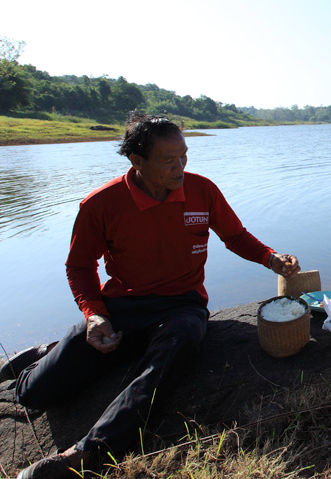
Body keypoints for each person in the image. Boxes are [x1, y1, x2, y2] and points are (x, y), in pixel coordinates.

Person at [5, 113, 299, 479]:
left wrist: (271, 258)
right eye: (168, 159)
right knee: (34, 395)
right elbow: (79, 267)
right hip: (123, 306)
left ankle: (86, 452)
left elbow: (234, 236)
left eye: (184, 156)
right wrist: (95, 315)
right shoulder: (100, 204)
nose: (180, 167)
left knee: (171, 357)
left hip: (182, 305)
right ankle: (42, 356)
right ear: (137, 162)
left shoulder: (201, 190)